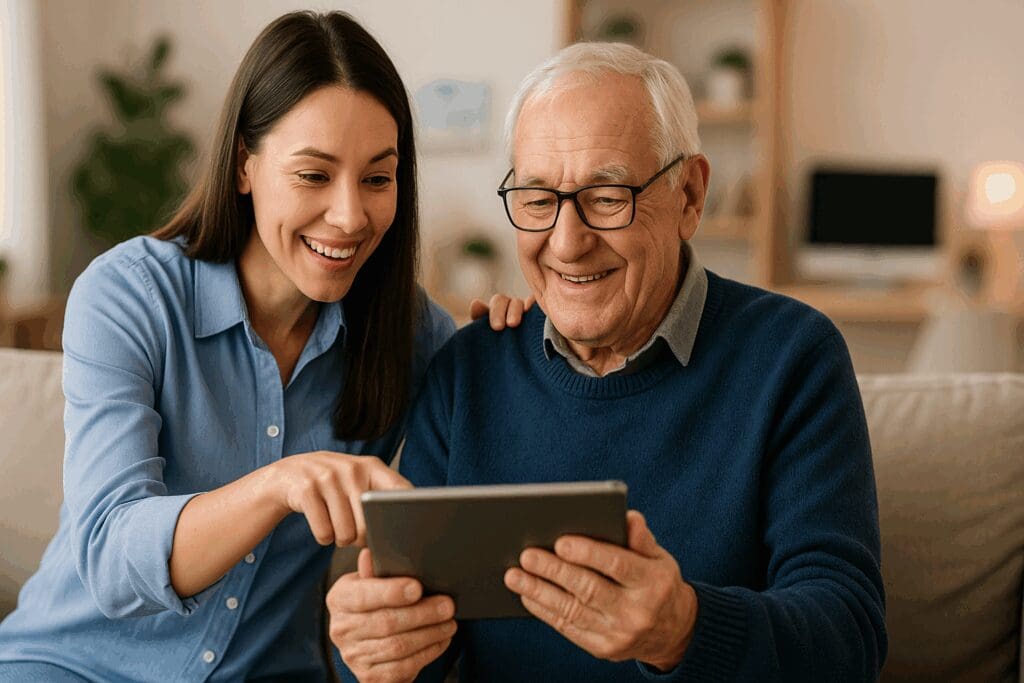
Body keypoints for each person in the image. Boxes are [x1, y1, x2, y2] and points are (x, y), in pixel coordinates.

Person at [328, 42, 887, 682]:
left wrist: (686, 629)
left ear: (690, 195)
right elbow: (416, 648)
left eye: (607, 195)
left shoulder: (793, 357)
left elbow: (850, 640)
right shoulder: (467, 372)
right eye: (538, 200)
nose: (567, 242)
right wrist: (376, 652)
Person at [0, 11, 525, 683]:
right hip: (71, 665)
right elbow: (109, 556)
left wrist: (516, 340)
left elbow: (472, 513)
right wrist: (279, 483)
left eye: (376, 178)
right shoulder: (128, 295)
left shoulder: (413, 336)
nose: (350, 215)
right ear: (245, 165)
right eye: (313, 175)